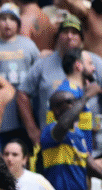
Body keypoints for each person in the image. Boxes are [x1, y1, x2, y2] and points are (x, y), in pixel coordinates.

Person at [17, 14, 102, 149]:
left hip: (90, 142)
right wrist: (32, 130)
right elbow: (22, 93)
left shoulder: (93, 61)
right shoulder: (43, 63)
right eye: (65, 32)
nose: (69, 36)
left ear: (81, 38)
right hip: (55, 143)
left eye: (74, 33)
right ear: (58, 37)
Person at [0, 3, 41, 148]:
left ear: (18, 23)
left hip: (26, 108)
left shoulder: (28, 45)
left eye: (12, 19)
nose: (7, 23)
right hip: (1, 108)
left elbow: (38, 71)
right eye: (3, 19)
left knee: (25, 147)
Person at [40, 86, 102, 190]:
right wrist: (86, 97)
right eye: (70, 102)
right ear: (56, 110)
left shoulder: (79, 134)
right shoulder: (50, 131)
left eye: (75, 101)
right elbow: (63, 126)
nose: (76, 105)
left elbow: (91, 166)